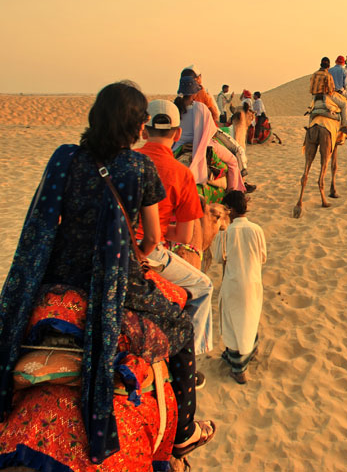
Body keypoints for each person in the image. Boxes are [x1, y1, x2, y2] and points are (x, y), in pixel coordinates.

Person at [0, 82, 214, 468]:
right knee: (180, 326)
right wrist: (140, 257)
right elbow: (150, 238)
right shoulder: (138, 167)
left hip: (56, 277)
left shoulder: (63, 158)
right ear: (136, 126)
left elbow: (45, 219)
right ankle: (183, 434)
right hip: (117, 281)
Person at [138, 99, 216, 363]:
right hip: (149, 251)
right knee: (204, 287)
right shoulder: (182, 174)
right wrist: (161, 232)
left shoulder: (125, 161)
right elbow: (184, 237)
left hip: (113, 243)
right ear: (178, 134)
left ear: (143, 130)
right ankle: (188, 359)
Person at [213, 190, 267, 384]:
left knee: (232, 322)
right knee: (250, 318)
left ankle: (239, 369)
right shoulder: (257, 229)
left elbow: (219, 257)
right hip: (253, 282)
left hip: (233, 283)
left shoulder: (226, 232)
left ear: (231, 210)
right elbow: (263, 257)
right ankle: (248, 353)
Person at [173, 76, 249, 193]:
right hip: (203, 144)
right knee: (233, 161)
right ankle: (234, 193)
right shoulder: (200, 108)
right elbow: (212, 131)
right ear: (194, 93)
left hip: (177, 146)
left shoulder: (175, 108)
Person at [308, 57, 347, 136]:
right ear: (328, 66)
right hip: (326, 96)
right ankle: (345, 125)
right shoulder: (328, 75)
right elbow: (330, 90)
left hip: (315, 97)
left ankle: (309, 128)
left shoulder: (314, 74)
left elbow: (311, 89)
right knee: (344, 105)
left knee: (311, 111)